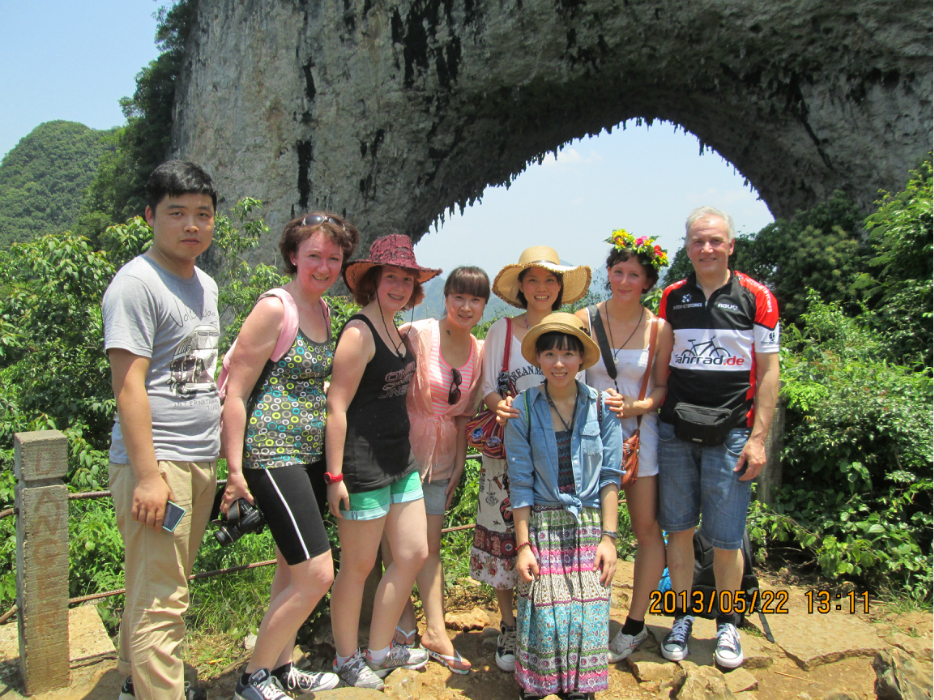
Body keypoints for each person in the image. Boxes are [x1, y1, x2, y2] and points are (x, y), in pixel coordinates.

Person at [220, 212, 359, 699]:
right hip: (270, 453)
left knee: (290, 569)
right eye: (314, 256)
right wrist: (234, 470)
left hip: (307, 452)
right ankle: (251, 678)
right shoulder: (276, 308)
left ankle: (281, 666)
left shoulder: (321, 310)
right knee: (318, 573)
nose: (323, 266)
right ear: (293, 257)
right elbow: (236, 393)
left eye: (333, 258)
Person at [103, 161, 219, 700]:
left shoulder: (206, 285)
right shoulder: (136, 284)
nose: (191, 225)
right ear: (150, 216)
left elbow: (197, 372)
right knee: (162, 597)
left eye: (202, 213)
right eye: (177, 213)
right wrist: (149, 478)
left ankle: (135, 682)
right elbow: (128, 387)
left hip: (199, 460)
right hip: (160, 465)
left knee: (159, 584)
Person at [656, 207, 780, 669]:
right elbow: (662, 365)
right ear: (686, 247)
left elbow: (769, 373)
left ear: (731, 245)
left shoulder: (757, 297)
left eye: (715, 241)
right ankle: (682, 617)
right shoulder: (673, 297)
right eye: (697, 241)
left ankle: (727, 623)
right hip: (675, 430)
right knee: (680, 530)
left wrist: (758, 438)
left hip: (732, 432)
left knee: (727, 539)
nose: (706, 249)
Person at [325, 234, 440, 689]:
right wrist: (335, 476)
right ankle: (346, 657)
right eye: (391, 276)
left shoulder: (395, 328)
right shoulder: (359, 332)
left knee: (413, 552)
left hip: (400, 459)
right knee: (356, 567)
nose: (399, 285)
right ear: (373, 280)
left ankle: (378, 647)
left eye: (407, 279)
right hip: (362, 464)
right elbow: (336, 407)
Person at [469, 246, 591, 673]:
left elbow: (585, 385)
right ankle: (508, 625)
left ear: (560, 287)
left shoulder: (573, 327)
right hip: (508, 455)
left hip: (558, 458)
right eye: (533, 280)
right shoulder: (502, 332)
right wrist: (497, 405)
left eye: (550, 280)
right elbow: (487, 385)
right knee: (506, 539)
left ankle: (549, 624)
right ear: (521, 287)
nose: (542, 288)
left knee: (551, 543)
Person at [505, 313, 623, 700]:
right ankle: (537, 688)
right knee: (545, 613)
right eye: (551, 353)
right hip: (542, 522)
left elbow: (609, 476)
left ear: (582, 360)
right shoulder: (522, 409)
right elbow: (520, 483)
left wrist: (609, 538)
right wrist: (524, 545)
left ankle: (578, 689)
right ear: (539, 359)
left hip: (588, 523)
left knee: (587, 609)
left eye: (568, 354)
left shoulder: (602, 408)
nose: (559, 362)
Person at [380, 267, 489, 673]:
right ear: (445, 297)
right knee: (395, 540)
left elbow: (465, 416)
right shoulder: (419, 334)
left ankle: (434, 629)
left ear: (482, 305)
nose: (466, 306)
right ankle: (404, 621)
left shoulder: (478, 350)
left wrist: (459, 463)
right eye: (459, 296)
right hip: (400, 450)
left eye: (475, 299)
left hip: (441, 458)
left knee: (428, 546)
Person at [574, 230, 673, 662]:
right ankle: (588, 617)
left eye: (634, 274)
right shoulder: (585, 319)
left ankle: (634, 624)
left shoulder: (659, 329)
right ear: (608, 274)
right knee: (588, 530)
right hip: (589, 438)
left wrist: (639, 403)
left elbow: (663, 389)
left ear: (648, 281)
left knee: (646, 529)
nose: (625, 281)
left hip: (638, 437)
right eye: (618, 272)